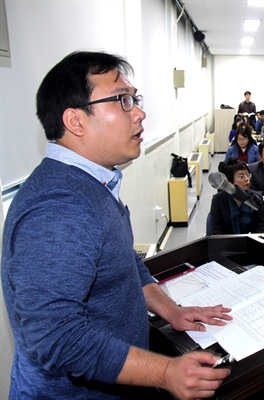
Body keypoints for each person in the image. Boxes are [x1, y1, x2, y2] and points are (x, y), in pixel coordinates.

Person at [1, 51, 232, 399]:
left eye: (134, 99)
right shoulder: (59, 207)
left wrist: (171, 310)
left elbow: (126, 263)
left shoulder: (93, 184)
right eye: (123, 100)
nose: (139, 112)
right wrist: (166, 371)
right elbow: (55, 336)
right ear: (76, 121)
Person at [210, 158, 264, 234]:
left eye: (247, 174)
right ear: (230, 181)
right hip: (227, 243)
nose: (247, 179)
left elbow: (262, 227)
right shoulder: (218, 200)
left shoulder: (256, 197)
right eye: (241, 176)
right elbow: (216, 231)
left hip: (252, 243)